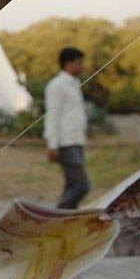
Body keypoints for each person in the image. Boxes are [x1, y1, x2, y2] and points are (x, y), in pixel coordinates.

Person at [44, 47, 90, 209]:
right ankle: (56, 217)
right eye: (79, 63)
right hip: (65, 142)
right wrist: (53, 145)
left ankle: (65, 221)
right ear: (68, 63)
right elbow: (53, 115)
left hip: (76, 141)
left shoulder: (74, 83)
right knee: (81, 186)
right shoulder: (57, 85)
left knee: (71, 185)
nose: (82, 66)